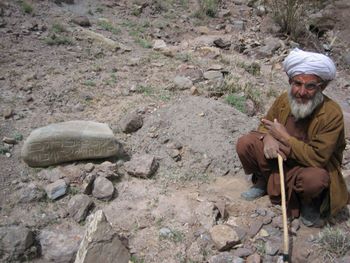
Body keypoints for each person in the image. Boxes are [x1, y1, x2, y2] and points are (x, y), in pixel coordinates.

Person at [236, 48, 348, 227]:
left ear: (322, 87)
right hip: (279, 161)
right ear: (290, 81)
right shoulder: (283, 100)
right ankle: (264, 181)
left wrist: (285, 138)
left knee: (316, 179)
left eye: (310, 86)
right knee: (246, 143)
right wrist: (268, 138)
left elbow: (318, 157)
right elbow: (265, 125)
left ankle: (308, 201)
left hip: (307, 168)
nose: (301, 92)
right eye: (297, 83)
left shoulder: (332, 113)